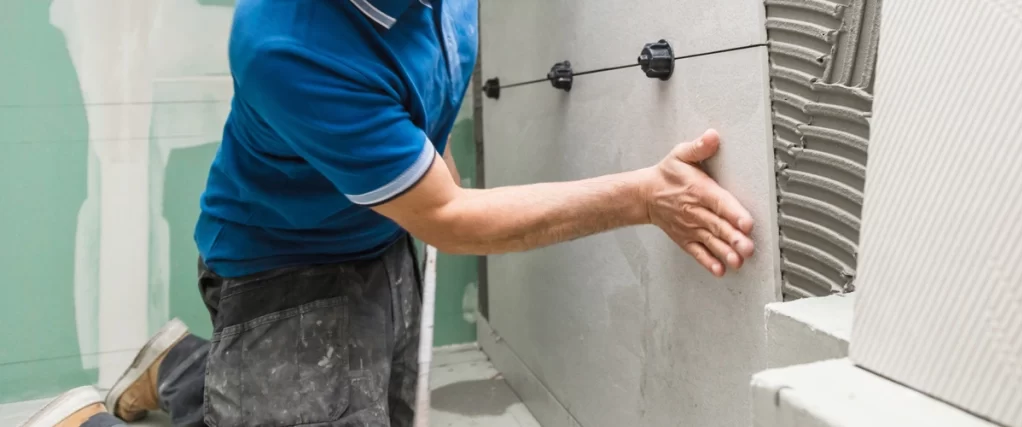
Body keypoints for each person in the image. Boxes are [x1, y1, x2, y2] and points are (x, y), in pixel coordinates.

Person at [22, 0, 755, 426]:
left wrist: (423, 166)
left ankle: (188, 368)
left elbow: (422, 130)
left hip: (378, 232)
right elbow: (449, 217)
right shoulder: (286, 40)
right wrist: (643, 198)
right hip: (283, 264)